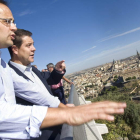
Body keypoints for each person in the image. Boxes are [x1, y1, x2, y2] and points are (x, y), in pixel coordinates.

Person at [0, 0, 126, 139]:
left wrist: (58, 72)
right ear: (15, 49)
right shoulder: (11, 72)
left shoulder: (13, 67)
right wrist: (67, 112)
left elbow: (46, 81)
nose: (13, 27)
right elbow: (36, 97)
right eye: (8, 21)